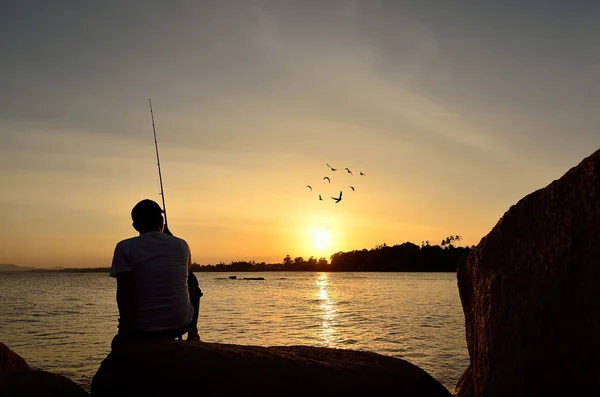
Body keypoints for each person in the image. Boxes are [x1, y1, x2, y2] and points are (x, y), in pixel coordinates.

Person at [109, 199, 202, 349]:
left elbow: (125, 292)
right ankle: (193, 333)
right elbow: (183, 270)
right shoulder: (182, 244)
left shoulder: (124, 247)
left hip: (143, 330)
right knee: (191, 279)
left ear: (135, 226)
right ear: (161, 221)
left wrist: (125, 329)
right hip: (181, 325)